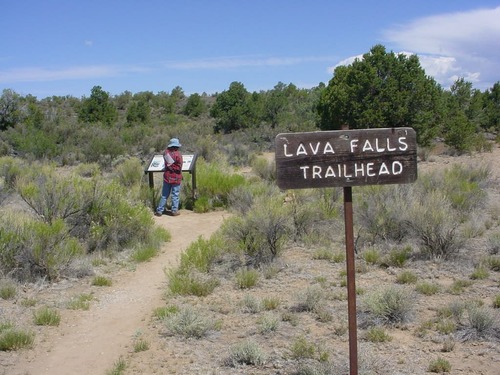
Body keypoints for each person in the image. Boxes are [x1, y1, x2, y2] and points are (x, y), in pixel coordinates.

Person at [155, 138, 183, 216]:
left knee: (164, 195)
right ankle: (174, 211)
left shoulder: (166, 153)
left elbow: (169, 164)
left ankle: (159, 210)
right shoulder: (178, 155)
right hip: (176, 177)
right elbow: (179, 166)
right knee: (175, 194)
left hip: (167, 176)